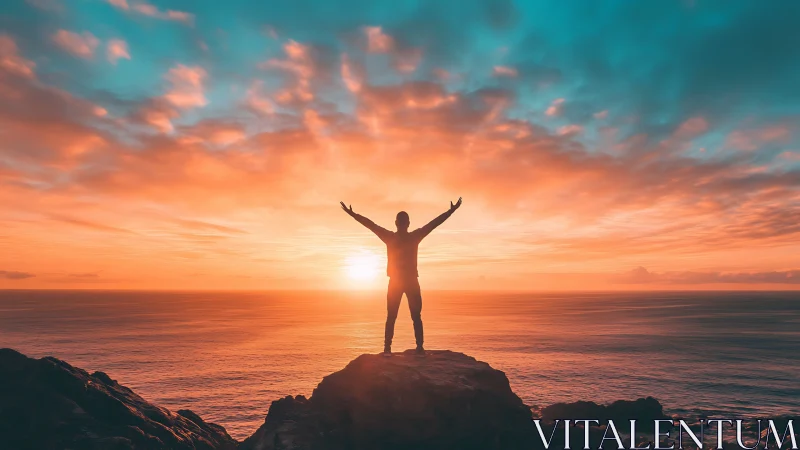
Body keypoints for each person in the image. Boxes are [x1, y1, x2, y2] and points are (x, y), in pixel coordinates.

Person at [340, 198, 463, 355]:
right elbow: (433, 224)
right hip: (410, 281)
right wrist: (451, 211)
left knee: (392, 316)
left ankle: (388, 349)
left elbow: (370, 225)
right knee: (415, 316)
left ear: (396, 223)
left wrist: (353, 214)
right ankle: (418, 348)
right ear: (408, 223)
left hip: (396, 282)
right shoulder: (414, 236)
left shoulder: (390, 237)